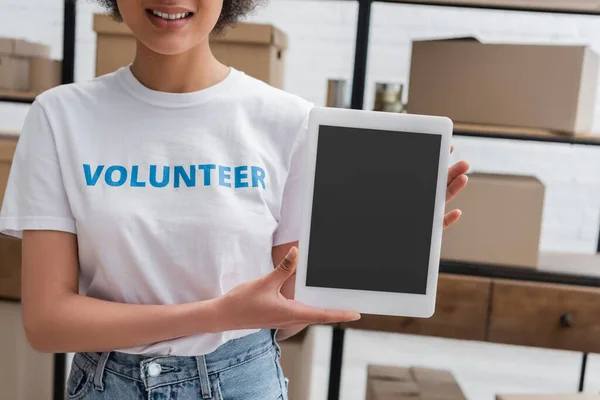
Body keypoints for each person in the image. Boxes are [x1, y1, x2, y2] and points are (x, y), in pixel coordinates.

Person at [0, 0, 470, 399]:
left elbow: (283, 308)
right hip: (107, 385)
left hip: (241, 382)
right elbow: (48, 323)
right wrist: (216, 315)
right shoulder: (60, 116)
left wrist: (384, 238)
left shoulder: (292, 122)